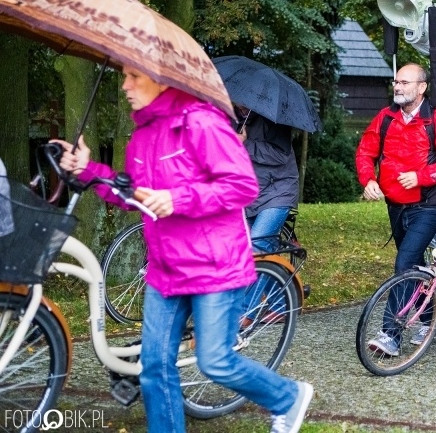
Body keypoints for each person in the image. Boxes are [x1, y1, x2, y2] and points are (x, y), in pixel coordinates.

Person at [52, 66, 313, 433]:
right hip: (166, 269)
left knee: (216, 361)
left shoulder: (203, 123)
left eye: (133, 77)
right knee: (155, 367)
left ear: (161, 80)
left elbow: (241, 186)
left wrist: (177, 198)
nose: (125, 85)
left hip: (215, 267)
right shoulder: (143, 135)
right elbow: (134, 196)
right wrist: (87, 169)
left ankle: (287, 397)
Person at [355, 63, 436, 356]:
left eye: (404, 82)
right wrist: (367, 179)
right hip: (395, 205)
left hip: (428, 205)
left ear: (421, 87)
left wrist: (422, 176)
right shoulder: (386, 117)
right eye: (396, 81)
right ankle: (430, 319)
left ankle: (389, 335)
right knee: (415, 264)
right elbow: (366, 152)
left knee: (404, 264)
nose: (397, 87)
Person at [236, 106, 299, 253]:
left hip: (277, 192)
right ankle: (273, 263)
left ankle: (272, 268)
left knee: (256, 247)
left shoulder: (273, 118)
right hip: (249, 193)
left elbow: (280, 155)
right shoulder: (231, 118)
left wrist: (245, 144)